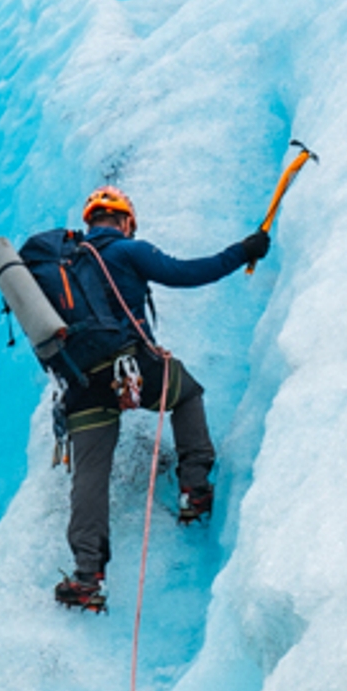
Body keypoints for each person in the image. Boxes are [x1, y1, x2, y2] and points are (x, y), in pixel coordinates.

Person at [37, 185, 268, 612]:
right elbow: (188, 273)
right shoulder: (127, 251)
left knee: (90, 477)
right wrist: (243, 251)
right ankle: (194, 488)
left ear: (89, 223)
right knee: (186, 393)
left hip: (81, 386)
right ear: (125, 222)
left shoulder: (63, 265)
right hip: (133, 369)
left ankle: (87, 577)